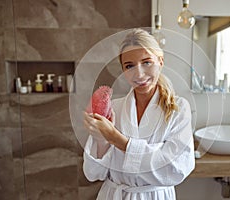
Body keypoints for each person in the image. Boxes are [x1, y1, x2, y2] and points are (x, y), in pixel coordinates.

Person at [83, 28, 195, 200]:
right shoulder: (114, 108)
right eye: (129, 66)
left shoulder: (178, 109)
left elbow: (175, 170)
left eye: (147, 62)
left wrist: (115, 138)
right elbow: (93, 173)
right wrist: (100, 139)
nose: (139, 74)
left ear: (161, 61)